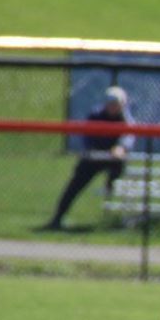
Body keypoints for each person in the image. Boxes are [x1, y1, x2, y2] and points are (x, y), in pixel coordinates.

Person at [43, 86, 133, 230]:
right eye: (110, 103)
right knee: (74, 185)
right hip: (93, 157)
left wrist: (121, 147)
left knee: (120, 164)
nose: (113, 106)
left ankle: (110, 185)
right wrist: (93, 150)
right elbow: (88, 137)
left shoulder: (124, 117)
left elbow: (129, 136)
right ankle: (57, 219)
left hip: (113, 158)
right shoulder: (96, 114)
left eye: (116, 103)